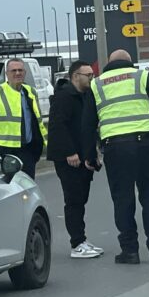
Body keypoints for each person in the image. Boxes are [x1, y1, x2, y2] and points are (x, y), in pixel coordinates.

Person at [82, 49, 149, 264]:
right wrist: (147, 120)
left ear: (109, 63)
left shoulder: (97, 84)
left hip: (115, 147)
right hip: (144, 143)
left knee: (123, 198)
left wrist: (90, 155)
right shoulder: (141, 77)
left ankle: (130, 250)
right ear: (129, 61)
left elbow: (88, 123)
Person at [47, 61, 104, 259]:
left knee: (81, 198)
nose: (91, 78)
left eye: (92, 75)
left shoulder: (87, 95)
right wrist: (69, 152)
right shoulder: (64, 97)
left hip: (83, 155)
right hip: (69, 157)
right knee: (73, 199)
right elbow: (57, 126)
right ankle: (77, 243)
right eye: (88, 75)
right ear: (75, 76)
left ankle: (82, 239)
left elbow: (90, 127)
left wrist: (93, 152)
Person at [0, 58, 47, 179]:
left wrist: (37, 148)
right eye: (13, 70)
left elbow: (36, 121)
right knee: (7, 187)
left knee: (28, 187)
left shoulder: (31, 92)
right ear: (7, 74)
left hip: (27, 151)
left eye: (20, 70)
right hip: (4, 153)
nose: (17, 73)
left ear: (25, 72)